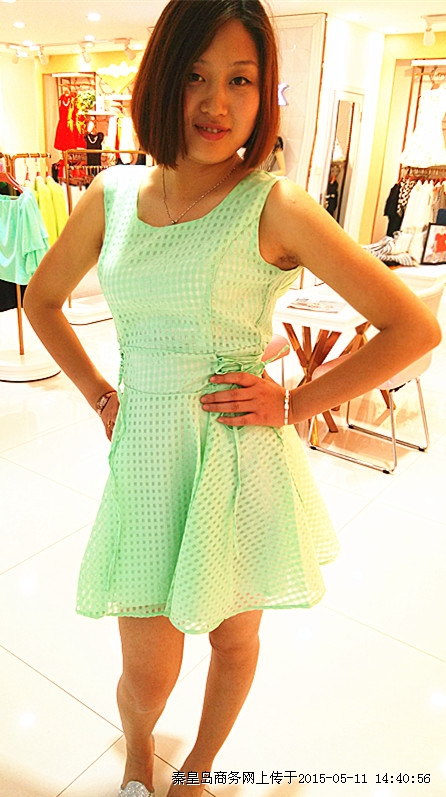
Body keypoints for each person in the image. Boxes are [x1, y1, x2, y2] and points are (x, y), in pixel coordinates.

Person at [24, 2, 441, 796]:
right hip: (147, 459)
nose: (216, 103)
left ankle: (200, 770)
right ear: (161, 79)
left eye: (241, 80)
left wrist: (296, 403)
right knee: (147, 669)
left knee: (234, 638)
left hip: (239, 458)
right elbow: (42, 301)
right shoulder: (111, 195)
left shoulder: (273, 203)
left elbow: (412, 326)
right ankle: (140, 754)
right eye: (195, 75)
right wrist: (101, 394)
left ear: (264, 91)